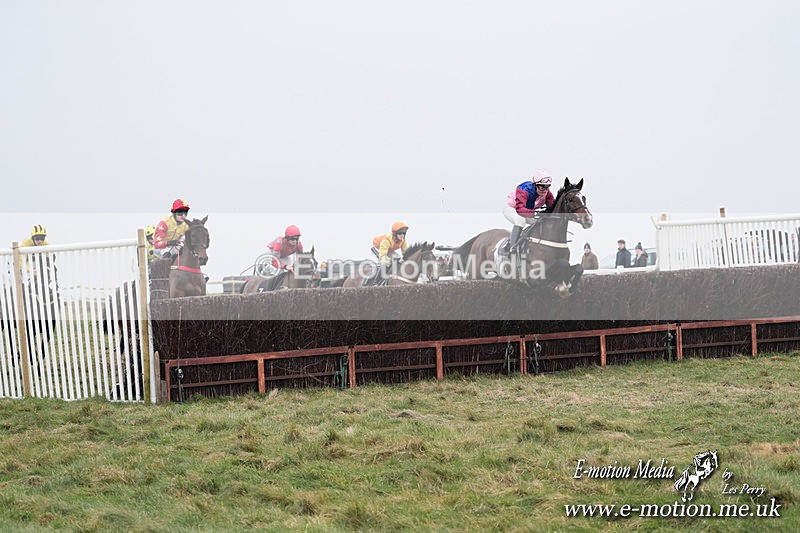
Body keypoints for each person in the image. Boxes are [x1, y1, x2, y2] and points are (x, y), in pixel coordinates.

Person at [501, 170, 556, 255]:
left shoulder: (546, 192)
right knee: (520, 220)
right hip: (512, 209)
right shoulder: (524, 189)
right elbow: (520, 210)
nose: (545, 190)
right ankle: (511, 247)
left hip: (527, 212)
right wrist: (536, 213)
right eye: (542, 187)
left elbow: (552, 205)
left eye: (547, 187)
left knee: (540, 222)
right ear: (535, 185)